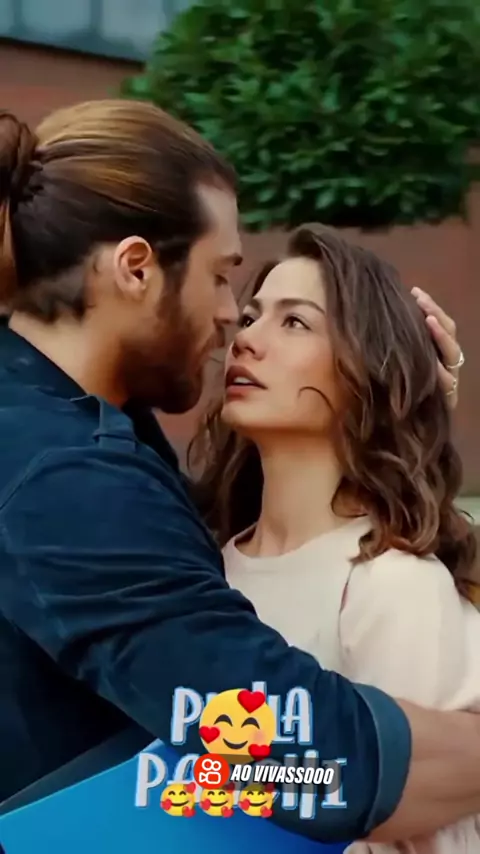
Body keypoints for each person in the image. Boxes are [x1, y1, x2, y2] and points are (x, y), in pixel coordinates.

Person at [0, 99, 475, 845]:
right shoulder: (67, 472)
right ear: (135, 269)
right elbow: (302, 756)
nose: (232, 320)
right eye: (223, 278)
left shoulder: (73, 425)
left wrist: (401, 412)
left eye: (292, 321)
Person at [192, 223, 479, 851]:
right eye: (251, 316)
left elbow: (417, 829)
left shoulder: (390, 582)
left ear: (365, 370)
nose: (247, 340)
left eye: (295, 322)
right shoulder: (200, 565)